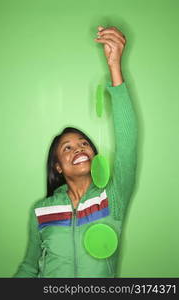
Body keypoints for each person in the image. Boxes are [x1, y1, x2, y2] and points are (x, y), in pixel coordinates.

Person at [14, 25, 138, 278]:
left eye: (84, 143)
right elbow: (29, 266)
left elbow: (128, 143)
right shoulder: (41, 210)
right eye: (67, 148)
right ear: (58, 166)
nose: (79, 148)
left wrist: (115, 67)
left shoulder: (111, 198)